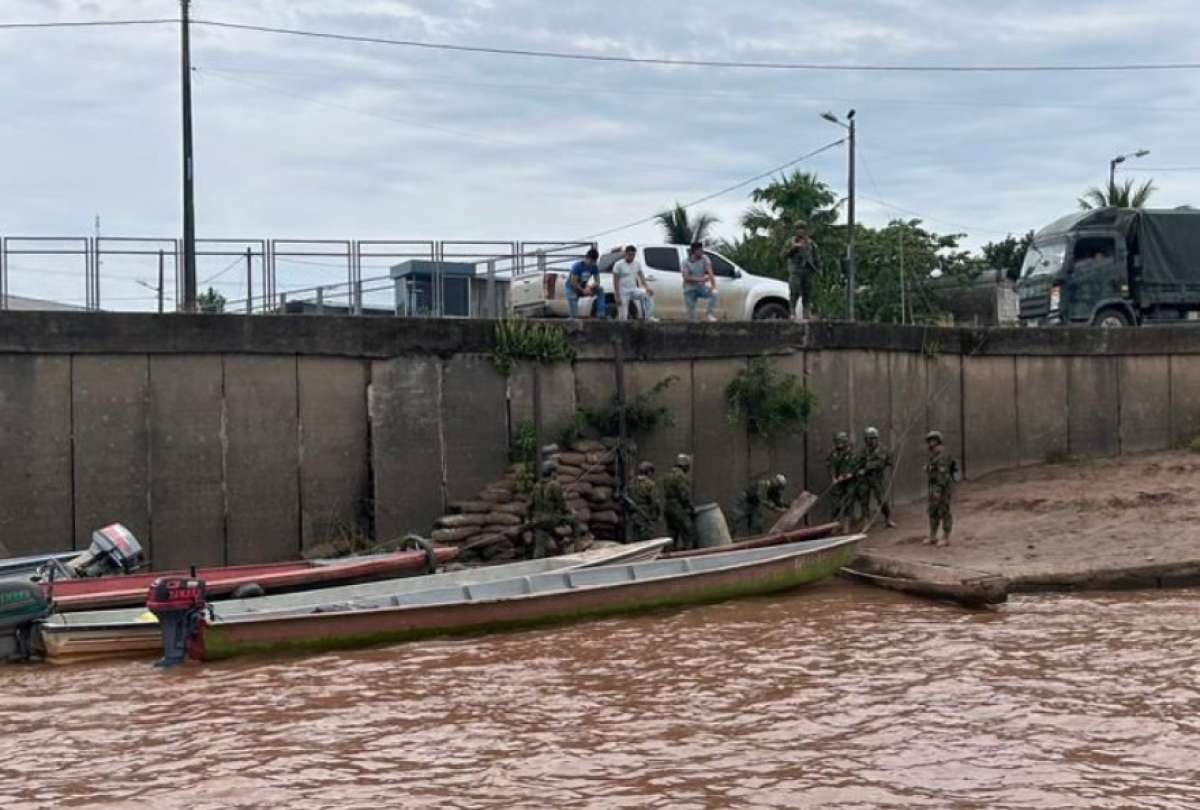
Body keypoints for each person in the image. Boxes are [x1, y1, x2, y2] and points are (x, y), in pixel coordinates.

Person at [527, 459, 577, 558]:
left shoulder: (536, 486)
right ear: (552, 472)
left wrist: (529, 519)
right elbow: (562, 505)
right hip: (552, 519)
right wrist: (571, 511)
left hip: (538, 521)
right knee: (575, 521)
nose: (556, 474)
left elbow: (529, 505)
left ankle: (538, 561)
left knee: (539, 547)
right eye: (555, 472)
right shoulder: (555, 485)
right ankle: (578, 545)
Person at [855, 426, 896, 529]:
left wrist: (867, 467)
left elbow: (881, 463)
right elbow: (858, 462)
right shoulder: (863, 450)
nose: (870, 441)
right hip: (865, 479)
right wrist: (859, 469)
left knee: (882, 500)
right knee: (864, 500)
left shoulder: (881, 449)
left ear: (876, 438)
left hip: (877, 478)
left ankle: (888, 519)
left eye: (872, 438)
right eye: (868, 439)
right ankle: (866, 521)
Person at [924, 430, 958, 547]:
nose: (930, 443)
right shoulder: (934, 455)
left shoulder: (943, 455)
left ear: (938, 441)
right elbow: (933, 469)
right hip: (934, 486)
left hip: (942, 487)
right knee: (932, 510)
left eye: (933, 441)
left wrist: (938, 490)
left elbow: (942, 474)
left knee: (944, 510)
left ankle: (945, 537)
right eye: (929, 441)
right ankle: (933, 535)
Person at [783, 221, 822, 321]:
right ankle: (792, 312)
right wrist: (794, 248)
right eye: (798, 228)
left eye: (803, 229)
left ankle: (806, 313)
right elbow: (784, 255)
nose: (800, 231)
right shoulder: (790, 242)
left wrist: (818, 269)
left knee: (807, 292)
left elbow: (816, 257)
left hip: (808, 270)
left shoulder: (811, 244)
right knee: (794, 291)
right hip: (795, 270)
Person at [612, 245, 657, 322]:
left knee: (648, 294)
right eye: (630, 255)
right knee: (623, 317)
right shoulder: (618, 264)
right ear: (625, 254)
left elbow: (642, 277)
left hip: (633, 289)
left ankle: (648, 317)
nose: (631, 257)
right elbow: (615, 281)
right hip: (623, 291)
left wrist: (647, 288)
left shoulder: (637, 264)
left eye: (633, 255)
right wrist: (617, 296)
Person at [662, 454, 696, 551]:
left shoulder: (668, 475)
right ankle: (689, 553)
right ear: (684, 465)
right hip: (678, 507)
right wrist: (690, 507)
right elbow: (684, 495)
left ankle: (670, 553)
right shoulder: (681, 476)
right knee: (688, 532)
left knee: (672, 534)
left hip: (668, 506)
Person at [681, 241, 719, 322]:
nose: (702, 252)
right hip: (689, 289)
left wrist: (713, 286)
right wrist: (701, 279)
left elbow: (710, 272)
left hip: (701, 287)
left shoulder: (705, 258)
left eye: (702, 250)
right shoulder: (685, 262)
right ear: (694, 251)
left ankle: (709, 314)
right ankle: (693, 322)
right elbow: (686, 277)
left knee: (715, 294)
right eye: (700, 250)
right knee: (692, 317)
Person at [826, 431, 857, 530]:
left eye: (841, 442)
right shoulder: (833, 453)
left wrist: (845, 475)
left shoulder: (851, 453)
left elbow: (854, 466)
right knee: (836, 504)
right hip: (838, 482)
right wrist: (833, 477)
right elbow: (830, 465)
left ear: (845, 442)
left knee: (848, 501)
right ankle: (833, 525)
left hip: (849, 482)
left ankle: (846, 524)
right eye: (837, 442)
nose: (839, 444)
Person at [628, 461, 663, 541]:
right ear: (649, 472)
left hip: (633, 514)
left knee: (634, 538)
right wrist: (657, 515)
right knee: (646, 539)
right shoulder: (650, 484)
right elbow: (655, 502)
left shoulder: (632, 482)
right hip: (645, 514)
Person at [566, 248, 604, 321]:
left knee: (600, 290)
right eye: (590, 261)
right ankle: (573, 317)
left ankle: (601, 314)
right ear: (586, 258)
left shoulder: (594, 267)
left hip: (583, 287)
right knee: (573, 301)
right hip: (572, 288)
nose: (591, 264)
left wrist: (590, 288)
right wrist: (583, 290)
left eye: (593, 262)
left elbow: (597, 281)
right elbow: (574, 282)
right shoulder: (577, 266)